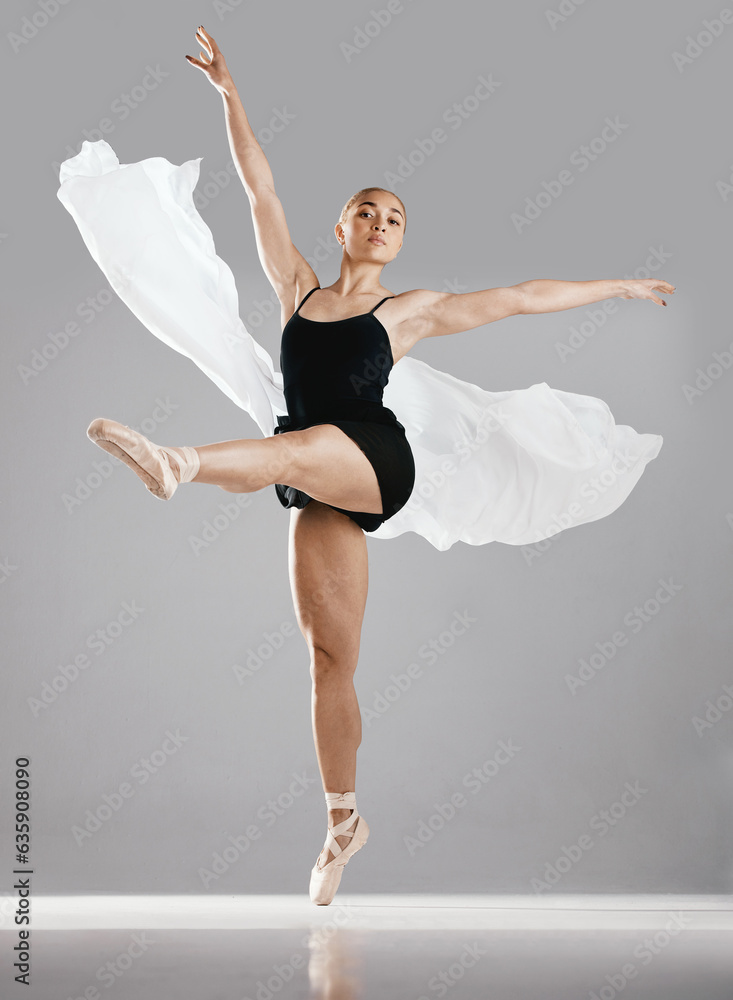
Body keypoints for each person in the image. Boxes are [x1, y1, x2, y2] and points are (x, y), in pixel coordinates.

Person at [59, 26, 674, 906]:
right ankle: (343, 822)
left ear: (398, 241)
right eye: (368, 210)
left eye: (396, 219)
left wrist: (613, 286)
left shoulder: (407, 313)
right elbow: (257, 189)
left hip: (374, 457)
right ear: (342, 225)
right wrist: (231, 97)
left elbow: (519, 299)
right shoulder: (298, 288)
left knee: (298, 448)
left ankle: (176, 461)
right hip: (319, 483)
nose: (382, 224)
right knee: (328, 658)